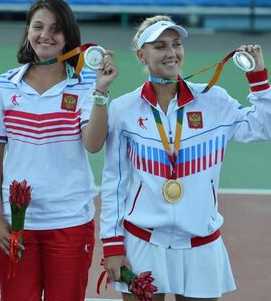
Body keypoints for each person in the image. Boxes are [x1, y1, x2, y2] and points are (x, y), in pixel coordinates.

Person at [100, 15, 271, 300]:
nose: (171, 52)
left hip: (201, 246)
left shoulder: (214, 100)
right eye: (160, 46)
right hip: (144, 243)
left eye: (176, 44)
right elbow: (114, 182)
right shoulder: (124, 109)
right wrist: (113, 245)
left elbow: (263, 126)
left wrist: (259, 78)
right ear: (142, 55)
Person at [0, 0, 118, 300]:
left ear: (68, 35)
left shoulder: (85, 84)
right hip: (17, 223)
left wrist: (101, 91)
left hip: (69, 220)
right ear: (27, 31)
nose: (46, 35)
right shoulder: (3, 86)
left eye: (56, 29)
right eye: (38, 27)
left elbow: (93, 144)